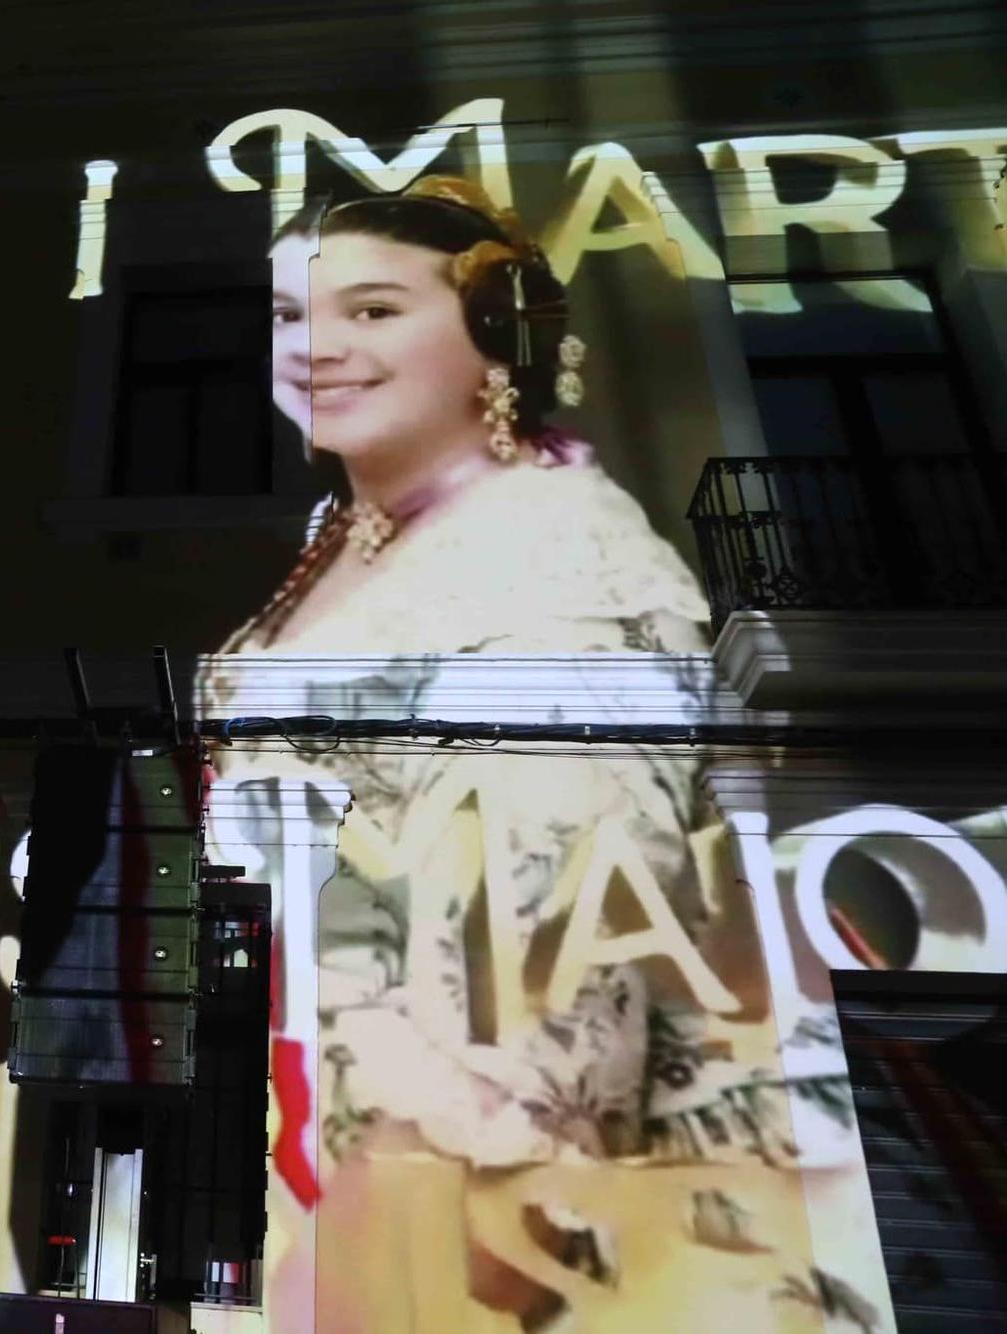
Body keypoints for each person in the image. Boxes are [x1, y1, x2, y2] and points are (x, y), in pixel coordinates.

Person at [201, 178, 824, 1330]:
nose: (316, 347)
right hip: (301, 1123)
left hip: (434, 1207)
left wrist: (377, 1270)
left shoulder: (553, 563)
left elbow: (548, 989)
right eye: (291, 317)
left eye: (373, 310)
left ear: (496, 335)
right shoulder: (357, 536)